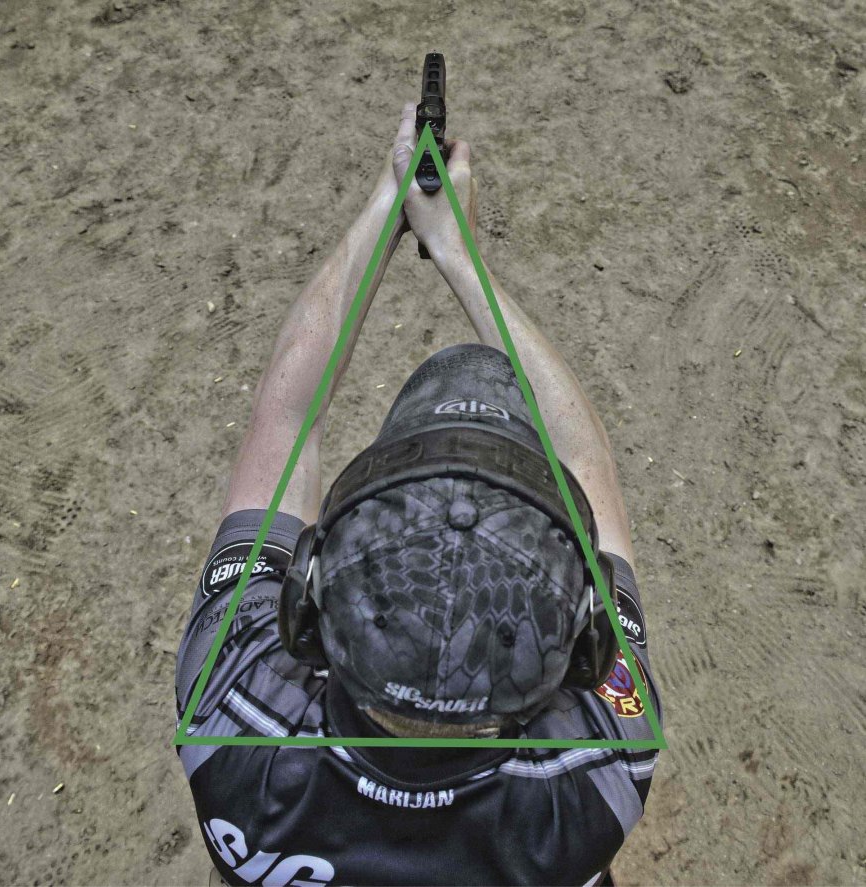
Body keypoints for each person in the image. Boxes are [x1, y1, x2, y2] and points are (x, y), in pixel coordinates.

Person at [174, 102, 662, 887]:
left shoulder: (231, 721)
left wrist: (387, 206)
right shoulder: (597, 779)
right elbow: (587, 467)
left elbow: (289, 413)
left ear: (306, 605)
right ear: (582, 648)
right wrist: (459, 250)